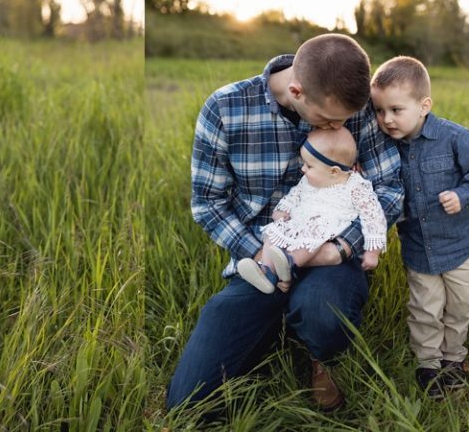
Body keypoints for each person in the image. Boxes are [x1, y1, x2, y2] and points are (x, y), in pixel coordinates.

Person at [166, 33, 404, 414]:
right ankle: (274, 326)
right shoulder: (226, 108)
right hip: (264, 257)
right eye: (328, 120)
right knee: (190, 404)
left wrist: (340, 248)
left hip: (330, 254)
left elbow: (390, 189)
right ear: (296, 91)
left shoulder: (349, 102)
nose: (337, 126)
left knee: (324, 313)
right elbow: (208, 203)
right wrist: (260, 251)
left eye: (343, 120)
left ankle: (319, 355)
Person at [369, 56, 469, 399]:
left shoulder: (455, 137)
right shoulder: (385, 147)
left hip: (460, 245)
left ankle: (454, 359)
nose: (387, 119)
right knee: (424, 308)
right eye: (380, 111)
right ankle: (428, 364)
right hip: (418, 248)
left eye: (396, 110)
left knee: (459, 306)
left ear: (424, 105)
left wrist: (463, 193)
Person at [236, 127, 388, 293]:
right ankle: (266, 271)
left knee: (312, 239)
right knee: (274, 234)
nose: (303, 169)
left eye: (309, 166)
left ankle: (289, 265)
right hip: (298, 221)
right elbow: (294, 196)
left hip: (324, 227)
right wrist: (282, 210)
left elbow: (373, 217)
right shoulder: (306, 181)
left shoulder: (355, 187)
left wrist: (373, 251)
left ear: (334, 171)